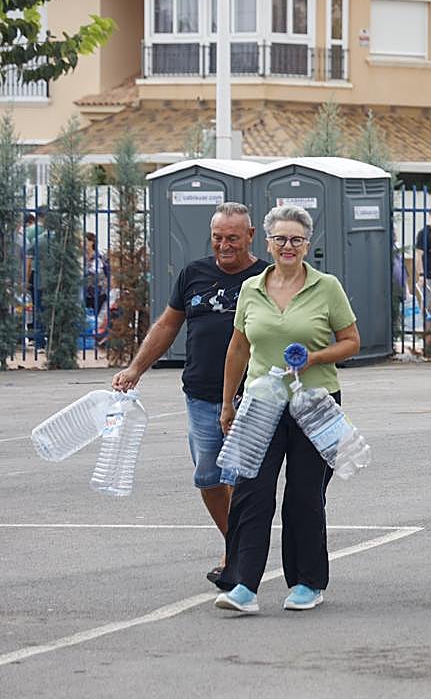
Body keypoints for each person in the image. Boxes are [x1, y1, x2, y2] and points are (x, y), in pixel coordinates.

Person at [213, 205, 360, 614]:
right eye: (280, 239)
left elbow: (351, 341)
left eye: (296, 239)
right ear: (268, 243)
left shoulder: (326, 286)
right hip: (261, 402)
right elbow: (239, 348)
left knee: (304, 494)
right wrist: (228, 402)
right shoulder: (251, 288)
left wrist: (314, 357)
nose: (288, 246)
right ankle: (242, 584)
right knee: (250, 492)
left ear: (307, 244)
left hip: (315, 402)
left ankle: (307, 582)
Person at [112, 203, 266, 585]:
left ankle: (237, 558)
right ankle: (237, 543)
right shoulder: (193, 274)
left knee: (238, 477)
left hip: (253, 396)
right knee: (209, 477)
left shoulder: (267, 277)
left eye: (233, 237)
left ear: (250, 236)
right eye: (218, 237)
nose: (224, 245)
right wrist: (135, 368)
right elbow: (167, 325)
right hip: (200, 395)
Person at [83, 232, 110, 315]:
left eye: (85, 241)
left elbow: (107, 272)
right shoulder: (82, 257)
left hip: (99, 293)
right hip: (85, 293)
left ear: (91, 242)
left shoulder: (99, 256)